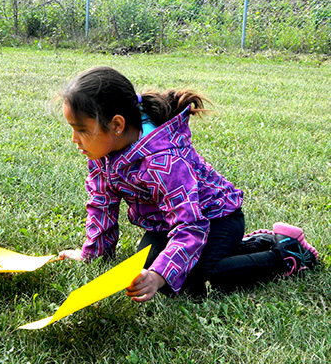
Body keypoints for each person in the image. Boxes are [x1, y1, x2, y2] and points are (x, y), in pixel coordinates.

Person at [57, 66, 318, 302]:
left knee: (201, 276)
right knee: (144, 267)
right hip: (167, 224)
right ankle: (254, 243)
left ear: (116, 124)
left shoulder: (163, 160)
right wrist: (92, 255)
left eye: (81, 129)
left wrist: (160, 275)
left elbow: (191, 224)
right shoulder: (101, 152)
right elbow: (101, 204)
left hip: (217, 218)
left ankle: (285, 253)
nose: (74, 139)